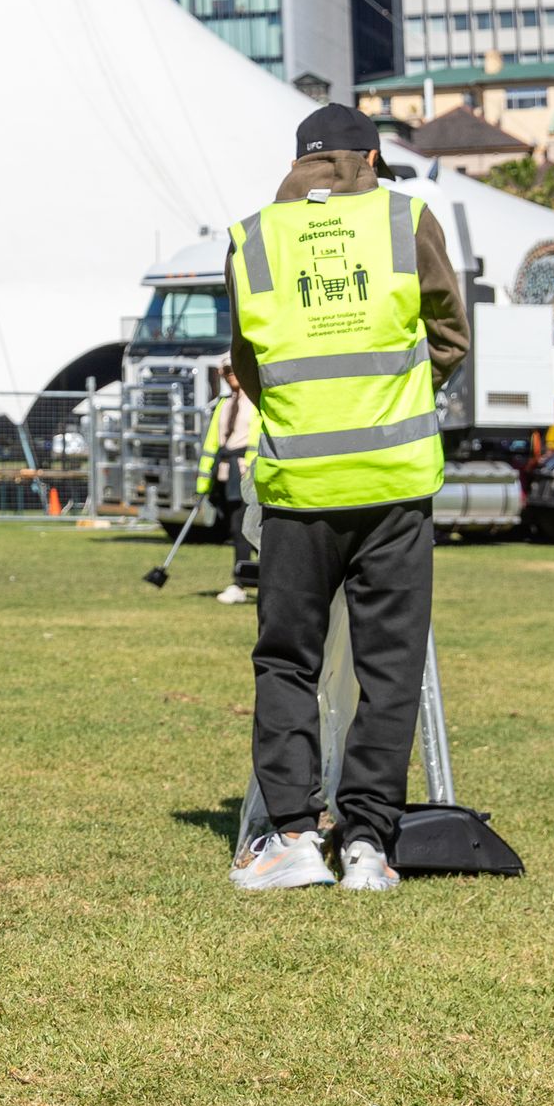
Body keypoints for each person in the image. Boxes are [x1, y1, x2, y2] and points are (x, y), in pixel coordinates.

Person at [224, 101, 470, 895]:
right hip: (396, 481)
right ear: (370, 158)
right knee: (388, 668)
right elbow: (450, 336)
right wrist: (395, 397)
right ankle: (369, 844)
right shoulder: (406, 219)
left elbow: (248, 363)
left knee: (288, 661)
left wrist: (306, 416)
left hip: (299, 484)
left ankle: (294, 835)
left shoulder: (254, 236)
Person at [197, 382, 260, 604]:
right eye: (226, 372)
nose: (230, 376)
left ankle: (240, 582)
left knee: (243, 529)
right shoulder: (224, 403)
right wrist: (204, 479)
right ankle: (249, 576)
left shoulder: (255, 401)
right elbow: (212, 441)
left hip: (247, 475)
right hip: (225, 474)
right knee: (237, 528)